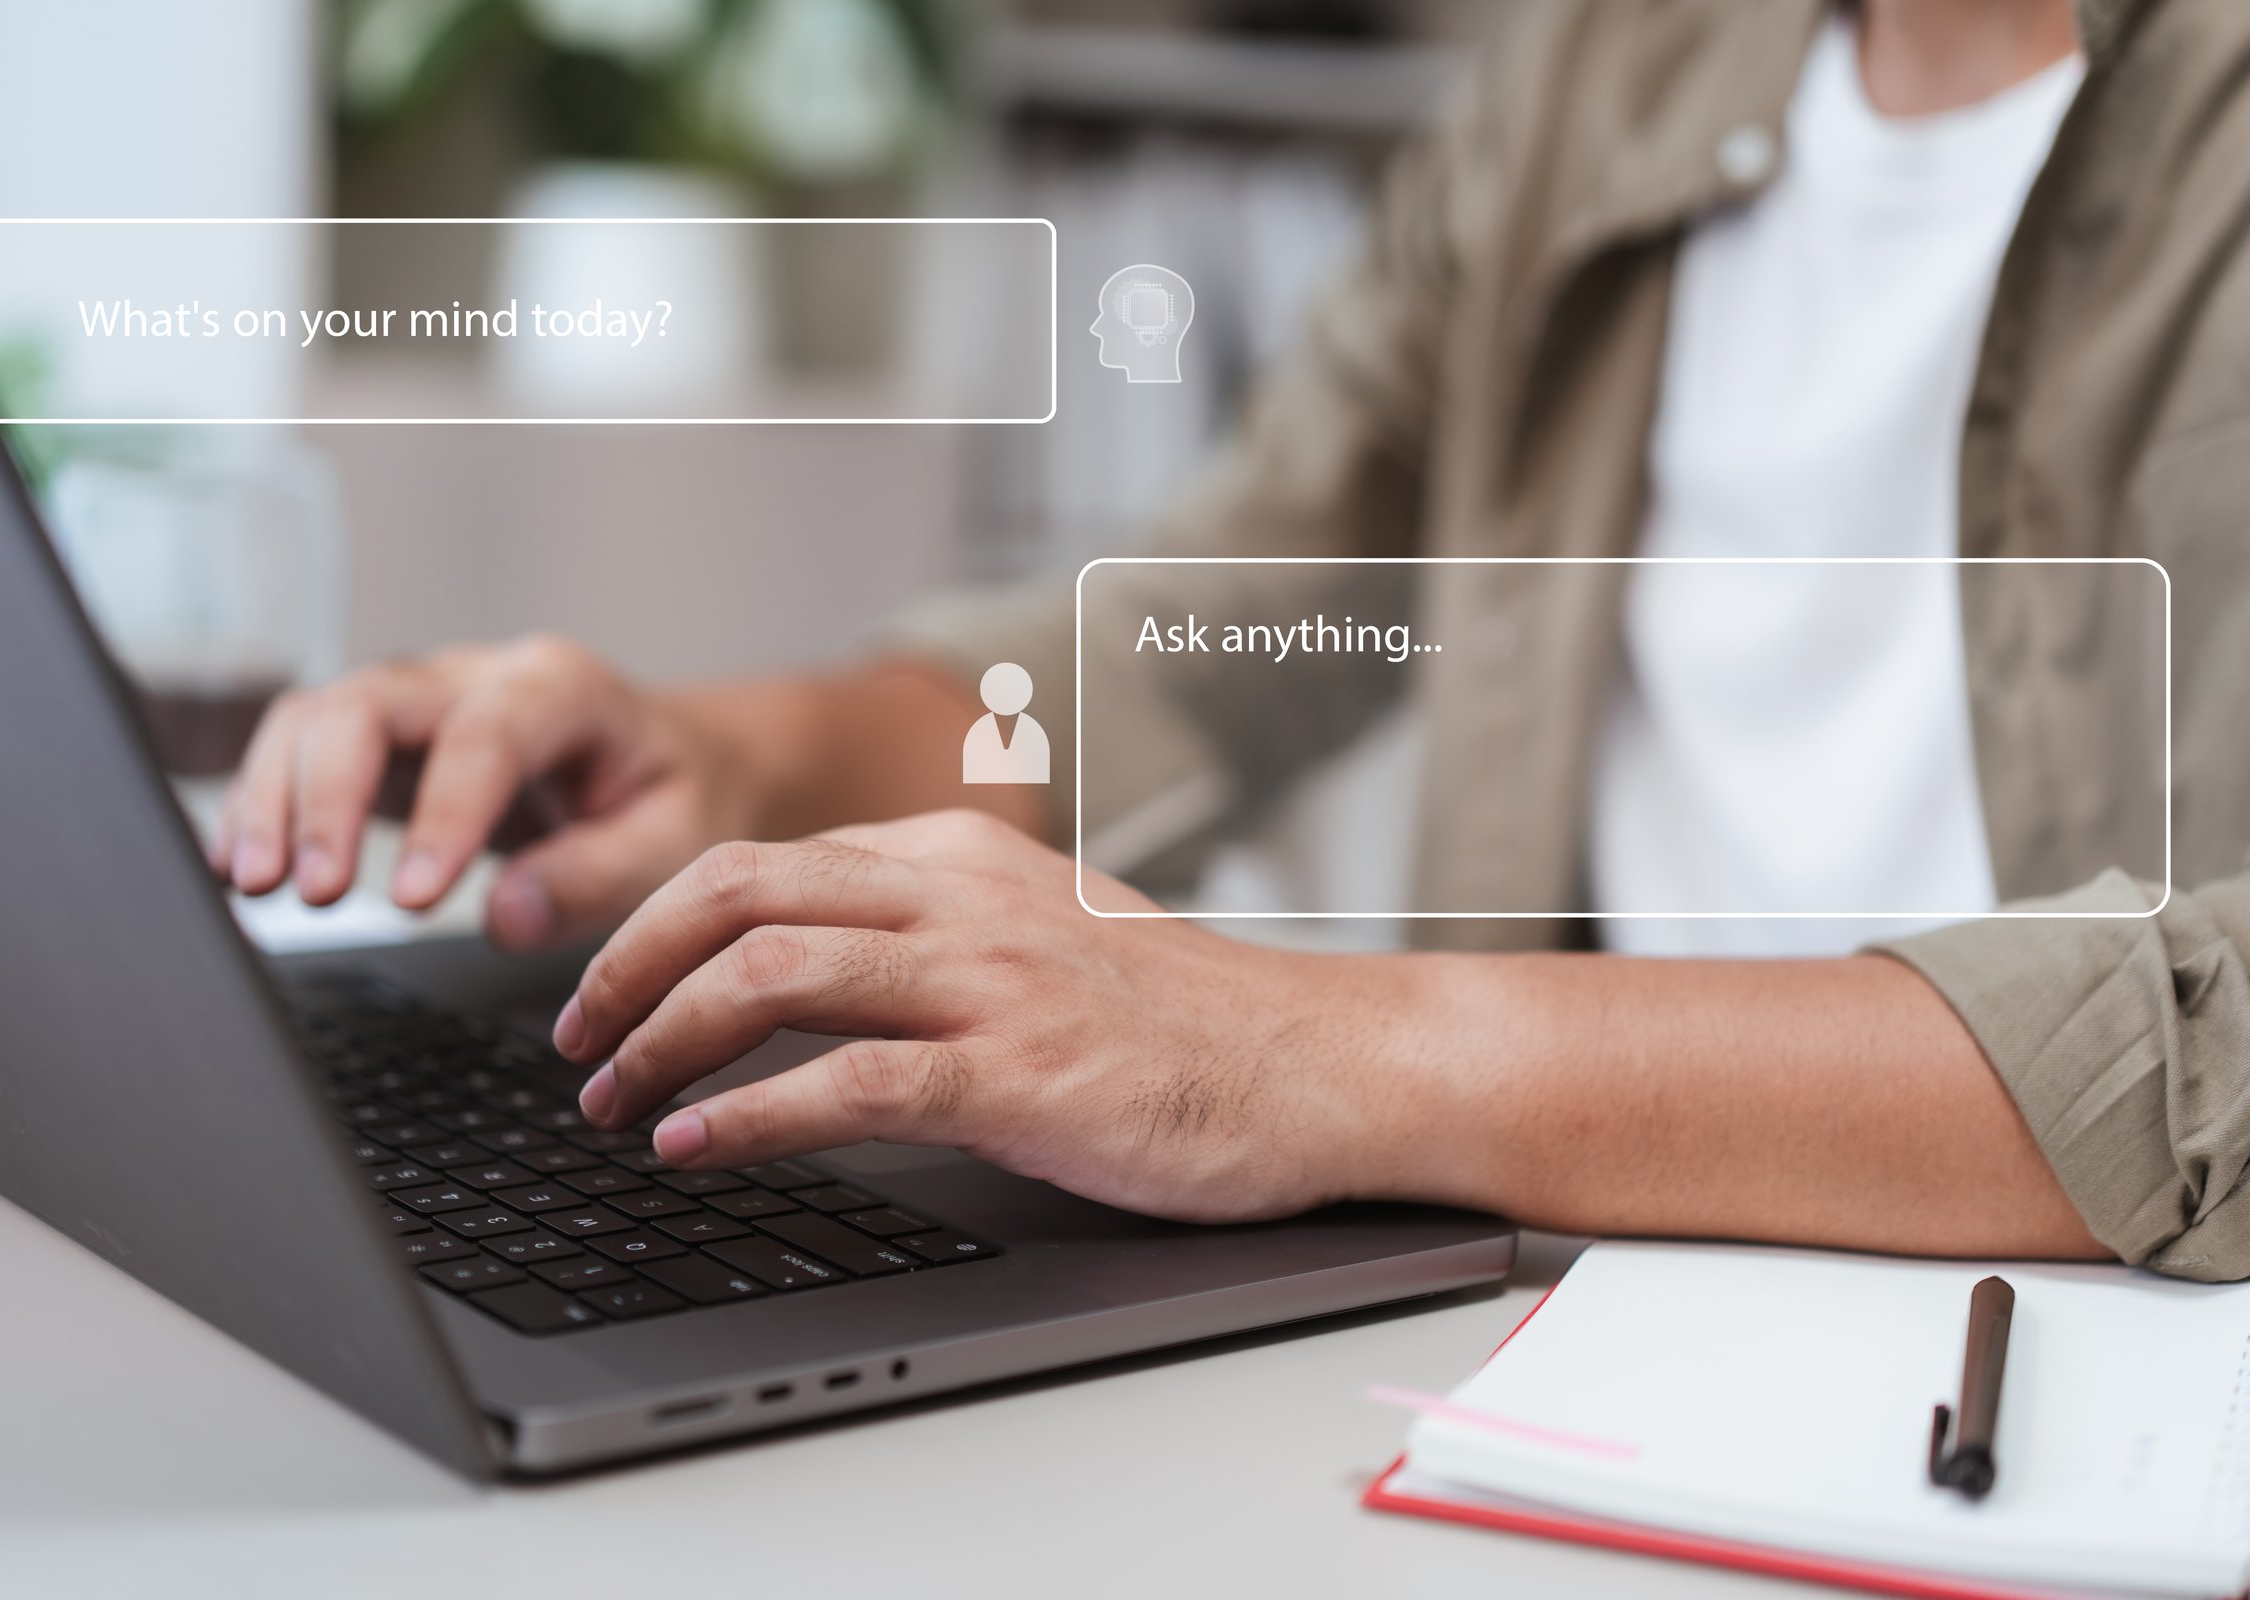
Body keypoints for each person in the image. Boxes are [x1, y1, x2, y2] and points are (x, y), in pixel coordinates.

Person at [217, 0, 2250, 1279]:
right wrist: (730, 764)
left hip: (2082, 1344)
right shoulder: (1601, 73)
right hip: (1575, 1296)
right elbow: (1223, 614)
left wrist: (1313, 1044)